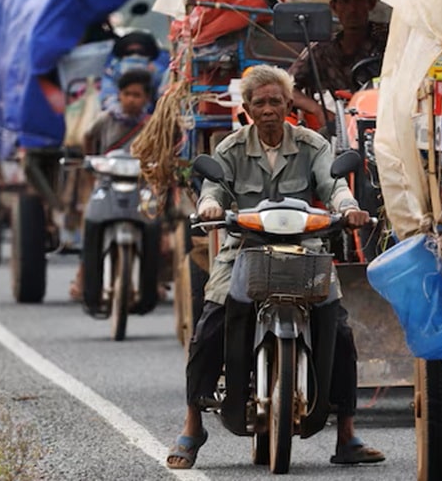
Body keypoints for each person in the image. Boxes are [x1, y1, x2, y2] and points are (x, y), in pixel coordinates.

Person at [166, 65, 384, 470]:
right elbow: (213, 188)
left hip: (305, 251)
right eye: (260, 102)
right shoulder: (230, 149)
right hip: (243, 251)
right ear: (247, 108)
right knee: (209, 326)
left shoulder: (312, 144)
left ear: (289, 105)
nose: (268, 109)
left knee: (337, 327)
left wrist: (348, 207)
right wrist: (210, 205)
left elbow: (333, 184)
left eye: (276, 101)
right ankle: (193, 424)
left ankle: (347, 433)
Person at [70, 69, 154, 302]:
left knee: (154, 225)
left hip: (139, 183)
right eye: (127, 94)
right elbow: (88, 136)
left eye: (137, 95)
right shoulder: (106, 118)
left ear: (146, 99)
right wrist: (92, 160)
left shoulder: (150, 124)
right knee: (92, 223)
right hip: (108, 182)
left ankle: (151, 280)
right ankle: (83, 276)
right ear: (119, 94)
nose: (131, 99)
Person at [287, 0, 390, 125]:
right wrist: (318, 110)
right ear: (334, 6)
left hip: (386, 121)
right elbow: (286, 86)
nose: (352, 9)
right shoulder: (322, 49)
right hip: (341, 127)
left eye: (359, 0)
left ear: (371, 4)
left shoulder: (389, 39)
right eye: (345, 1)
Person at [99, 31, 169, 113]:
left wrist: (155, 76)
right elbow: (107, 96)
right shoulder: (112, 71)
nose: (135, 56)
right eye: (130, 52)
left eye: (140, 52)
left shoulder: (159, 72)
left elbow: (164, 97)